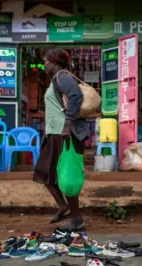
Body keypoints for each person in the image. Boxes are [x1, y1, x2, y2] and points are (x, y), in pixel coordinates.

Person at [33, 48, 88, 229]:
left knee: (66, 175)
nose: (44, 65)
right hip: (54, 133)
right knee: (44, 173)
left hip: (64, 134)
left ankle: (77, 220)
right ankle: (63, 206)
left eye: (46, 61)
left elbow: (76, 96)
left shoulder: (63, 77)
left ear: (55, 63)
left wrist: (67, 124)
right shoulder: (55, 80)